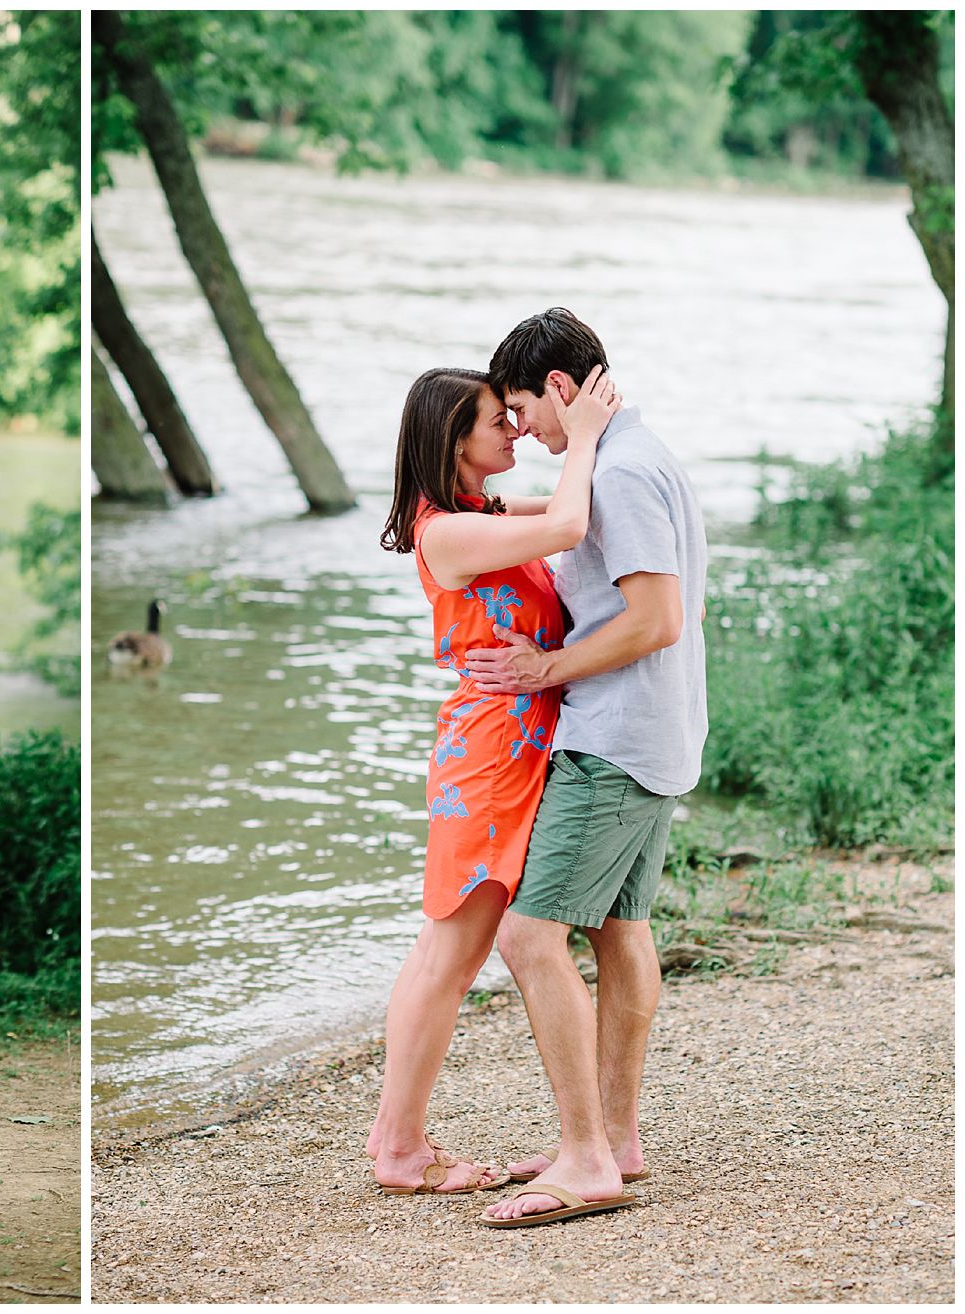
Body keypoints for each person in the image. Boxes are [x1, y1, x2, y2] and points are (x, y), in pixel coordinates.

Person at [468, 308, 708, 1229]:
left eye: (523, 410)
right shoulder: (633, 457)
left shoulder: (623, 472)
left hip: (613, 739)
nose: (521, 429)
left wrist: (546, 669)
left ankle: (585, 1161)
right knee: (618, 928)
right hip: (654, 731)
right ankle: (616, 1139)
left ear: (561, 389)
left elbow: (657, 619)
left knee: (529, 937)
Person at [364, 362, 620, 1195]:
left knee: (446, 949)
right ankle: (401, 1149)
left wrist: (615, 458)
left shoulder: (483, 512)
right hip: (489, 754)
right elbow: (570, 520)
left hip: (513, 746)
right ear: (453, 441)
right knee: (453, 951)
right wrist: (583, 434)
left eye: (514, 417)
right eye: (495, 420)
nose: (513, 429)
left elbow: (578, 508)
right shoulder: (446, 533)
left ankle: (393, 1137)